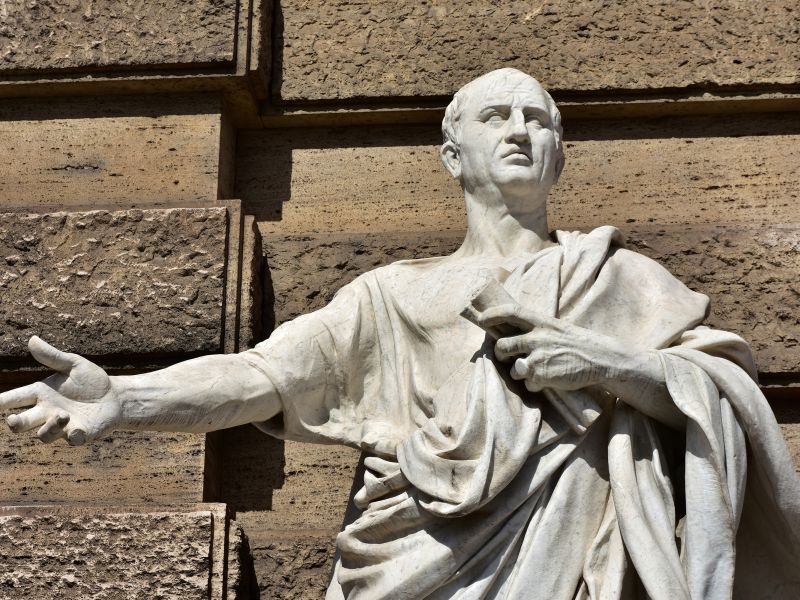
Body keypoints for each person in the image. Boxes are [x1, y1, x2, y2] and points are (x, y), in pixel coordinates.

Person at [1, 68, 798, 599]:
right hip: (408, 569)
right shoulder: (389, 297)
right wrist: (125, 398)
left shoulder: (624, 282)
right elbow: (258, 377)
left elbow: (726, 401)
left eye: (538, 120)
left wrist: (607, 363)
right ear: (453, 154)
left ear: (559, 156)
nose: (520, 130)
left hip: (571, 565)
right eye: (497, 116)